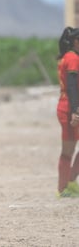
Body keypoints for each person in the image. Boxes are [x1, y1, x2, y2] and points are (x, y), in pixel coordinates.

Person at [56, 26, 79, 198]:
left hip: (66, 105)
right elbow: (72, 86)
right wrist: (75, 110)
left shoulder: (66, 57)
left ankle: (66, 186)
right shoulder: (72, 58)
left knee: (68, 150)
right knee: (68, 150)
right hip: (70, 107)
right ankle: (67, 186)